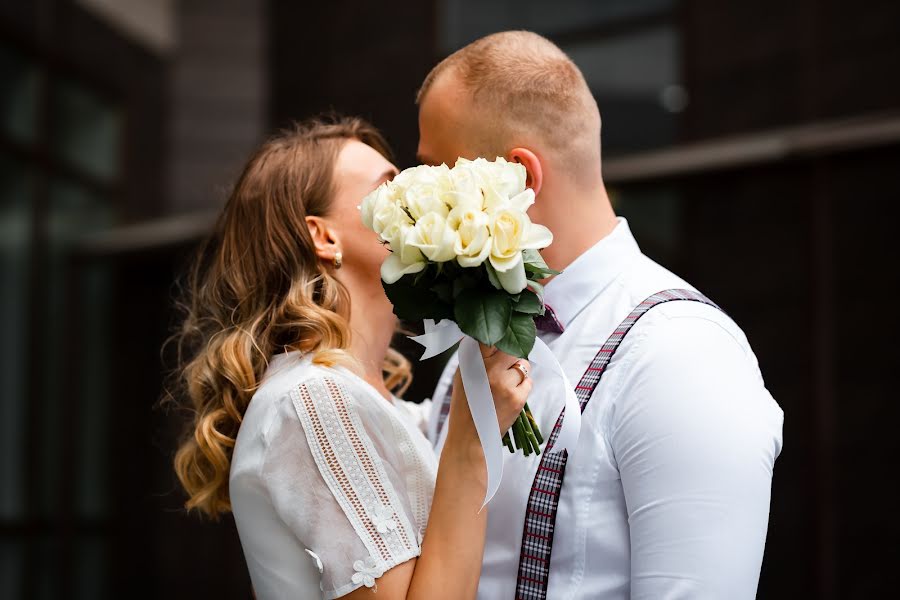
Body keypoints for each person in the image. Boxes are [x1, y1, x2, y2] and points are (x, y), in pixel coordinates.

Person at [417, 31, 784, 599]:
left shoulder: (680, 355)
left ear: (518, 178)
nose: (419, 204)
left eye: (437, 174)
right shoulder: (473, 337)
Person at [168, 116, 532, 599]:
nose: (420, 197)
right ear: (324, 237)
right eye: (391, 187)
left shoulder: (374, 403)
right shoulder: (315, 400)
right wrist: (471, 443)